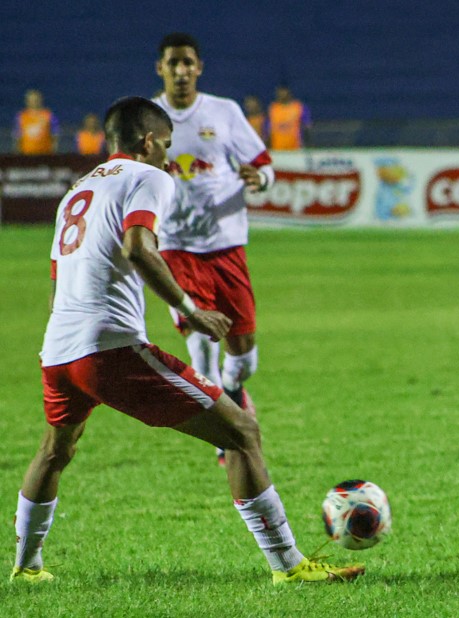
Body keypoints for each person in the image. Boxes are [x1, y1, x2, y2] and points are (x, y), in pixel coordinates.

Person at [10, 96, 363, 585]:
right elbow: (139, 246)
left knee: (54, 450)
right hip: (107, 349)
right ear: (149, 141)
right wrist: (189, 309)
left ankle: (25, 567)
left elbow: (57, 275)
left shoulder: (77, 190)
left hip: (59, 349)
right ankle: (289, 566)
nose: (168, 157)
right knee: (241, 432)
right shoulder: (148, 177)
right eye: (167, 146)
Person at [153, 33, 274, 466]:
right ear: (160, 69)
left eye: (188, 63)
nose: (181, 71)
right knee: (202, 342)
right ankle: (225, 432)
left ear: (199, 68)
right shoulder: (150, 119)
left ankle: (234, 390)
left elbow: (262, 164)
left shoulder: (224, 112)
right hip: (176, 248)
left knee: (244, 357)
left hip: (227, 247)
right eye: (173, 63)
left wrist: (263, 180)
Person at [13, 89, 59, 155]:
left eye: (36, 100)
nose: (34, 102)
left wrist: (53, 153)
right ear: (27, 101)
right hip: (26, 155)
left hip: (45, 154)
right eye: (31, 100)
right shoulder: (20, 117)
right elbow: (17, 138)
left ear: (41, 100)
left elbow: (55, 136)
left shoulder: (49, 115)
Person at [268, 85, 311, 150]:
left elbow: (306, 127)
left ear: (289, 93)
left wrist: (306, 144)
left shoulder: (298, 107)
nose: (282, 95)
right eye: (279, 93)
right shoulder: (273, 108)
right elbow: (269, 130)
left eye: (284, 92)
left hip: (295, 149)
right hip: (277, 149)